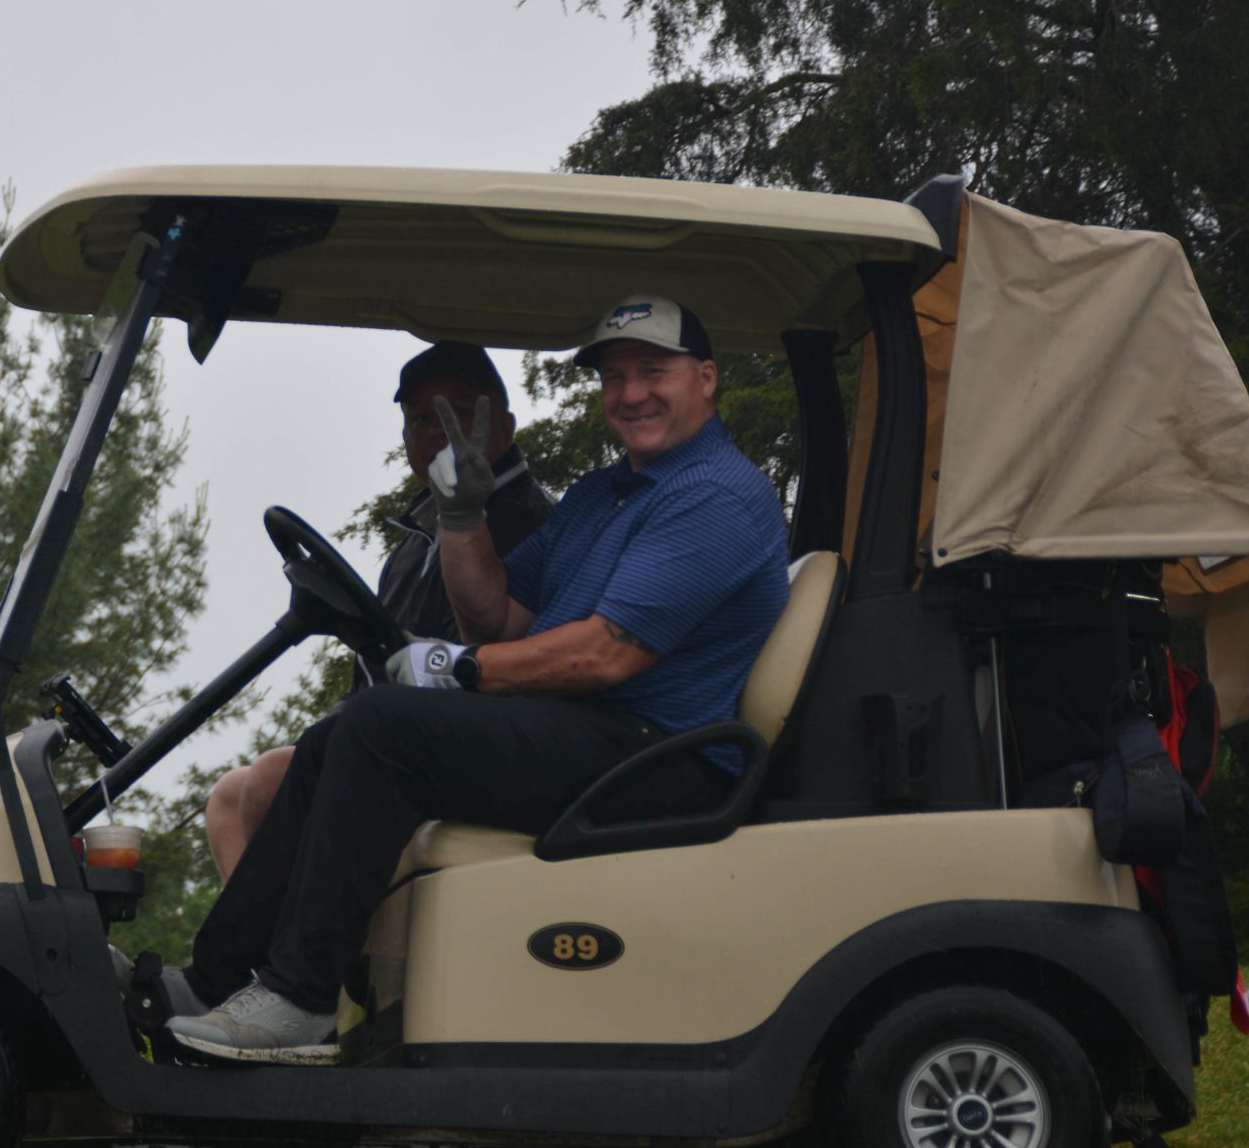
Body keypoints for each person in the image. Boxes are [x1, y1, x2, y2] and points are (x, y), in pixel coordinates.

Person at [166, 293, 790, 1063]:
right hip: (594, 732)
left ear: (705, 378)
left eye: (653, 371)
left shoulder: (715, 496)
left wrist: (452, 669)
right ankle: (214, 978)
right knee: (335, 736)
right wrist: (462, 519)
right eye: (614, 377)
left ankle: (302, 999)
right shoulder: (602, 495)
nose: (631, 393)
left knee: (382, 727)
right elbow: (496, 619)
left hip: (660, 754)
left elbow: (605, 656)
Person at [202, 343, 553, 880]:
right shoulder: (416, 538)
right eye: (420, 419)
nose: (437, 431)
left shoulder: (531, 522)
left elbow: (482, 652)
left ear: (502, 426)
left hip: (470, 741)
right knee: (229, 797)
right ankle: (263, 936)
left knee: (272, 778)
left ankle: (301, 933)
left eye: (457, 414)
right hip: (391, 726)